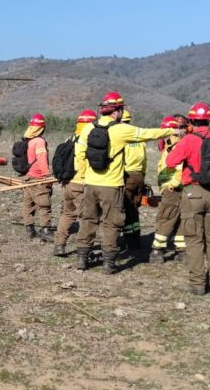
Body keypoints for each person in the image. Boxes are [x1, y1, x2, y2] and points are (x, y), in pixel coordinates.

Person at [73, 92, 174, 273]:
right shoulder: (121, 130)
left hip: (90, 183)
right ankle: (109, 263)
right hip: (111, 185)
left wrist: (85, 174)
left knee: (88, 219)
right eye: (122, 109)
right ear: (117, 111)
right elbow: (147, 134)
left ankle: (82, 258)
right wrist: (171, 130)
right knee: (111, 223)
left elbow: (79, 154)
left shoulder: (88, 128)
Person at [165, 102, 210, 295]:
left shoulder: (189, 140)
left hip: (193, 193)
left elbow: (169, 162)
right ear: (208, 119)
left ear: (191, 120)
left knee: (194, 240)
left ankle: (198, 284)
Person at [52, 109, 97, 256]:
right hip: (81, 184)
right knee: (86, 217)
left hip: (67, 184)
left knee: (67, 214)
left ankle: (59, 245)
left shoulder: (69, 139)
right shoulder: (89, 141)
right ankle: (84, 249)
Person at [151, 115, 187, 262]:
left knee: (165, 219)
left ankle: (157, 250)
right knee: (179, 219)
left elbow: (180, 169)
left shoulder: (177, 146)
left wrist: (172, 185)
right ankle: (181, 251)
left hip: (173, 190)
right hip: (174, 188)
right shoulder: (170, 144)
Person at [21, 113, 54, 242]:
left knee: (28, 205)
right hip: (38, 178)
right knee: (44, 205)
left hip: (27, 177)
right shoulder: (39, 141)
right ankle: (45, 230)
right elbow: (41, 159)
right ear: (42, 128)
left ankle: (30, 229)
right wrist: (47, 175)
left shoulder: (27, 140)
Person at [120, 109, 147, 255]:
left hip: (127, 176)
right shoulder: (139, 137)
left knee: (125, 208)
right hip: (139, 176)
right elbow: (145, 161)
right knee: (134, 208)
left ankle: (129, 242)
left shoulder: (122, 137)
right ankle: (136, 239)